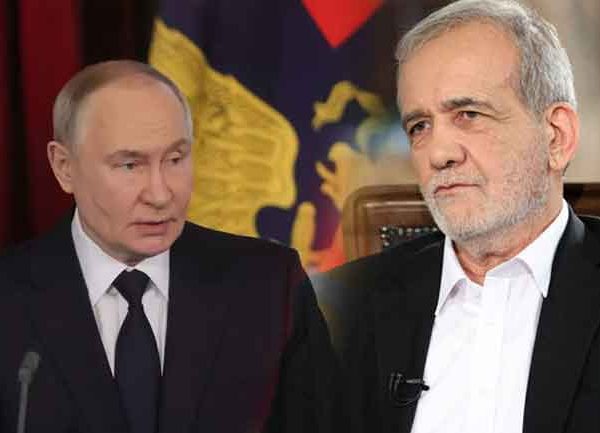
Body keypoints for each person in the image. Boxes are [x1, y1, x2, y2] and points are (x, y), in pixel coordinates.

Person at [0, 60, 340, 433]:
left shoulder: (270, 286)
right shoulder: (10, 298)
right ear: (64, 167)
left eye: (175, 159)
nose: (161, 194)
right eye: (130, 166)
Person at [319, 1, 600, 432]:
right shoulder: (337, 307)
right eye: (419, 126)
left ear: (556, 137)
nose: (439, 153)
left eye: (468, 115)